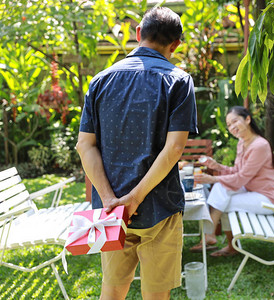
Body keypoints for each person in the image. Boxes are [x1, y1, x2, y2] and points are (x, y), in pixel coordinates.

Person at [76, 7, 197, 300]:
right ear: (175, 44)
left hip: (111, 213)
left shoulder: (100, 80)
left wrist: (110, 200)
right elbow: (175, 149)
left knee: (112, 292)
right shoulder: (179, 81)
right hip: (160, 208)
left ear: (138, 34)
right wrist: (135, 199)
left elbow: (85, 145)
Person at [191, 106, 274, 257]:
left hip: (267, 198)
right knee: (221, 189)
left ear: (247, 119)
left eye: (235, 121)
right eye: (229, 125)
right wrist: (218, 167)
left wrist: (213, 178)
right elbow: (237, 171)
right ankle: (216, 238)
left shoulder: (259, 145)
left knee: (223, 200)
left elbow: (241, 178)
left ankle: (212, 236)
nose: (232, 127)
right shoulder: (242, 142)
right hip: (251, 191)